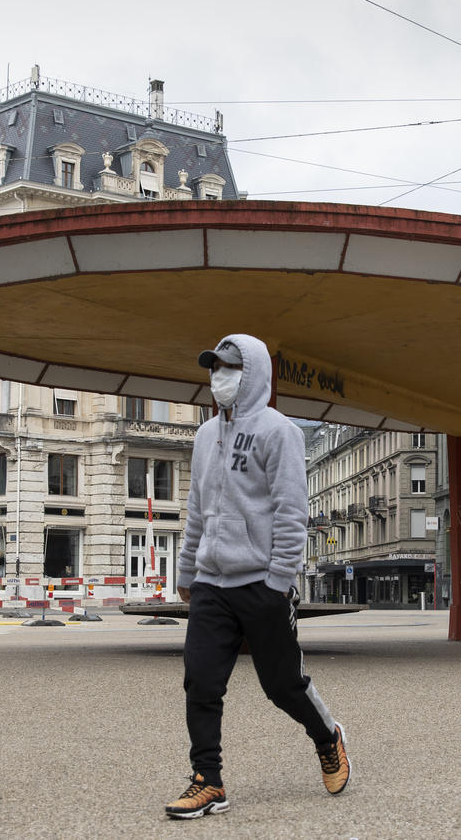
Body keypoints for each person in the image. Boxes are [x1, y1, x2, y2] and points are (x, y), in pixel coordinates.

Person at [165, 334, 349, 821]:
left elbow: (292, 513)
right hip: (211, 584)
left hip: (261, 585)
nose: (218, 377)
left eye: (228, 368)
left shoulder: (279, 431)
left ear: (252, 375)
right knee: (200, 682)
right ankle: (209, 780)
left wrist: (277, 580)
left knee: (282, 685)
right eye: (214, 368)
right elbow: (197, 510)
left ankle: (327, 737)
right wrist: (187, 571)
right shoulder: (205, 436)